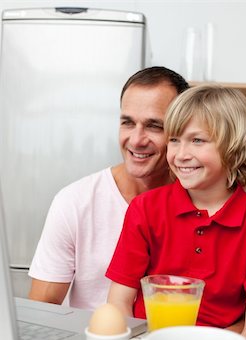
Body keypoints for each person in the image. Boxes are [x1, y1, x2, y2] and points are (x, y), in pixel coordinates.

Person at [106, 84, 246, 339]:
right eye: (174, 140)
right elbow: (118, 303)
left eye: (197, 140)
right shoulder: (145, 209)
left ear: (232, 145)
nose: (181, 154)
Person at [28, 67, 189, 309]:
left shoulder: (201, 202)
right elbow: (42, 309)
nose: (136, 140)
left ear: (182, 129)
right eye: (128, 122)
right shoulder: (74, 202)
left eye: (154, 126)